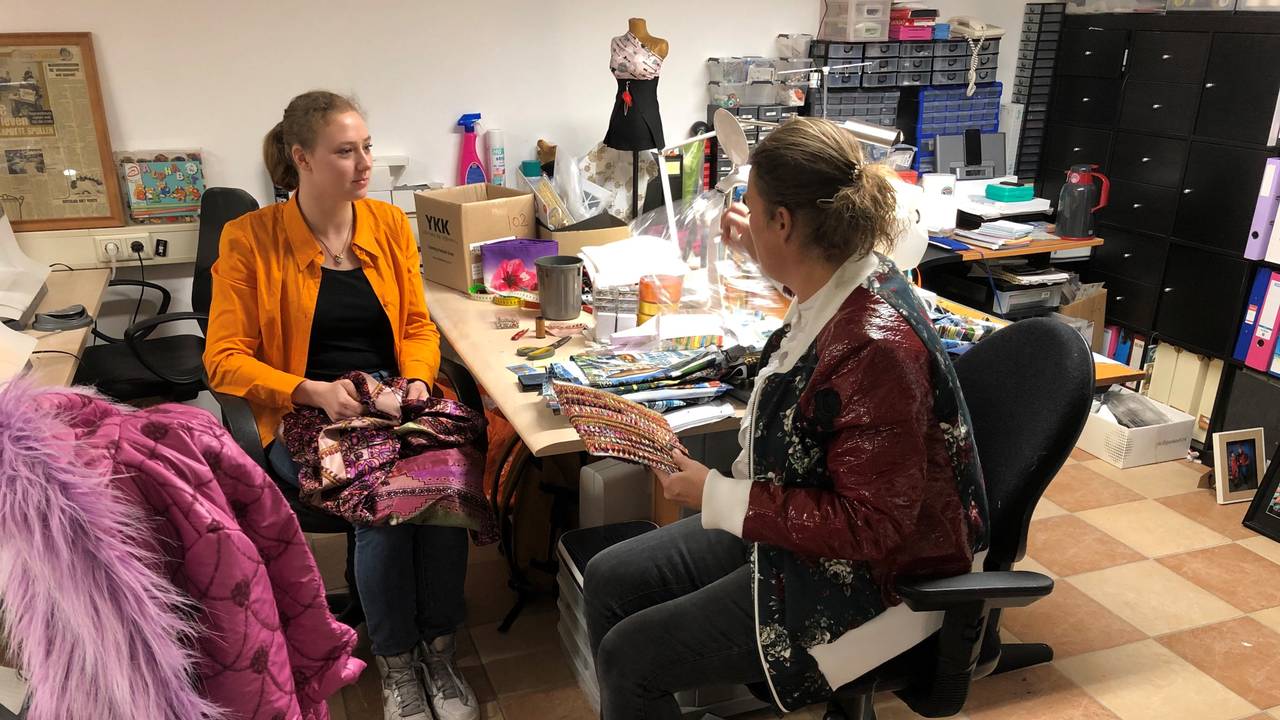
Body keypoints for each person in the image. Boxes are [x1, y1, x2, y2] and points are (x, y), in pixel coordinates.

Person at [583, 117, 990, 718]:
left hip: (881, 589)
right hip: (806, 533)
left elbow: (871, 526)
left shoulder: (876, 347)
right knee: (610, 577)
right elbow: (810, 339)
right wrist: (771, 256)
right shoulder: (846, 272)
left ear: (785, 222)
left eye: (754, 207)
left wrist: (716, 495)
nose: (742, 217)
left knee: (629, 658)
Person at [203, 90, 478, 720]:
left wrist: (414, 380)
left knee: (448, 484)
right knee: (382, 501)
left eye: (367, 148)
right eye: (345, 151)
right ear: (300, 157)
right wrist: (312, 391)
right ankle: (398, 663)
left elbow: (416, 324)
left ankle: (440, 647)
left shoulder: (384, 223)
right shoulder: (250, 240)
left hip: (387, 395)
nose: (364, 164)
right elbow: (222, 358)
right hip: (306, 407)